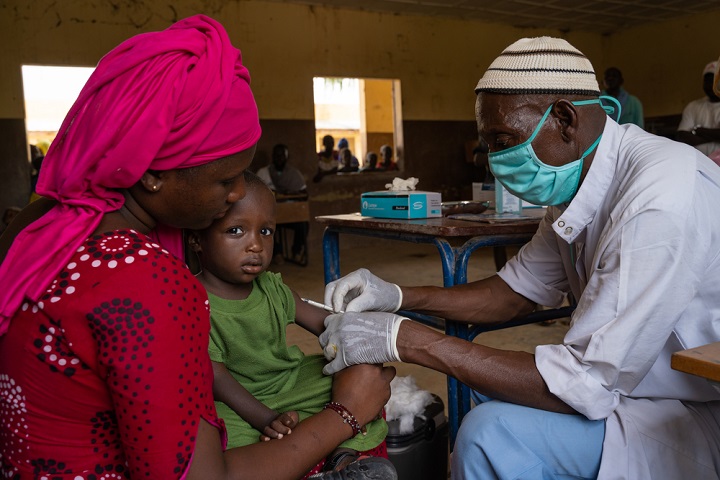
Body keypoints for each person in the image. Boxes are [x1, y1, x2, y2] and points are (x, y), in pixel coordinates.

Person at [0, 15, 396, 480]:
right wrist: (346, 413)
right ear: (151, 173)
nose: (234, 197)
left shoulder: (42, 227)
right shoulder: (148, 282)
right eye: (225, 181)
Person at [320, 36, 720, 479]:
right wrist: (396, 296)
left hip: (693, 412)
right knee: (489, 391)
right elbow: (511, 292)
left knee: (489, 433)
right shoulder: (576, 190)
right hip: (639, 392)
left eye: (503, 139)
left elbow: (585, 381)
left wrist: (407, 339)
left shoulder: (660, 196)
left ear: (565, 119)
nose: (494, 160)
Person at [187, 171, 389, 478]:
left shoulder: (271, 287)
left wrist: (366, 337)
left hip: (290, 382)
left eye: (266, 232)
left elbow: (325, 324)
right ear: (197, 239)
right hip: (239, 399)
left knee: (364, 378)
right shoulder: (193, 299)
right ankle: (332, 449)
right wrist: (263, 417)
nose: (255, 245)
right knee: (217, 437)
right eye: (236, 230)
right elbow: (216, 377)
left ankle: (342, 459)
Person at [256, 143, 309, 264]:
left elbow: (305, 193)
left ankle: (296, 252)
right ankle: (277, 253)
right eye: (276, 155)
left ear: (286, 157)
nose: (279, 158)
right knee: (267, 227)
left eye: (282, 155)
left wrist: (290, 192)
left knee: (303, 224)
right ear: (272, 156)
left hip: (289, 212)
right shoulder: (263, 173)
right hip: (270, 213)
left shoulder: (293, 173)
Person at [676, 61, 720, 157]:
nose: (710, 85)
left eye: (713, 80)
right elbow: (682, 136)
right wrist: (715, 135)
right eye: (707, 81)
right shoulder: (693, 106)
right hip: (699, 166)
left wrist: (700, 131)